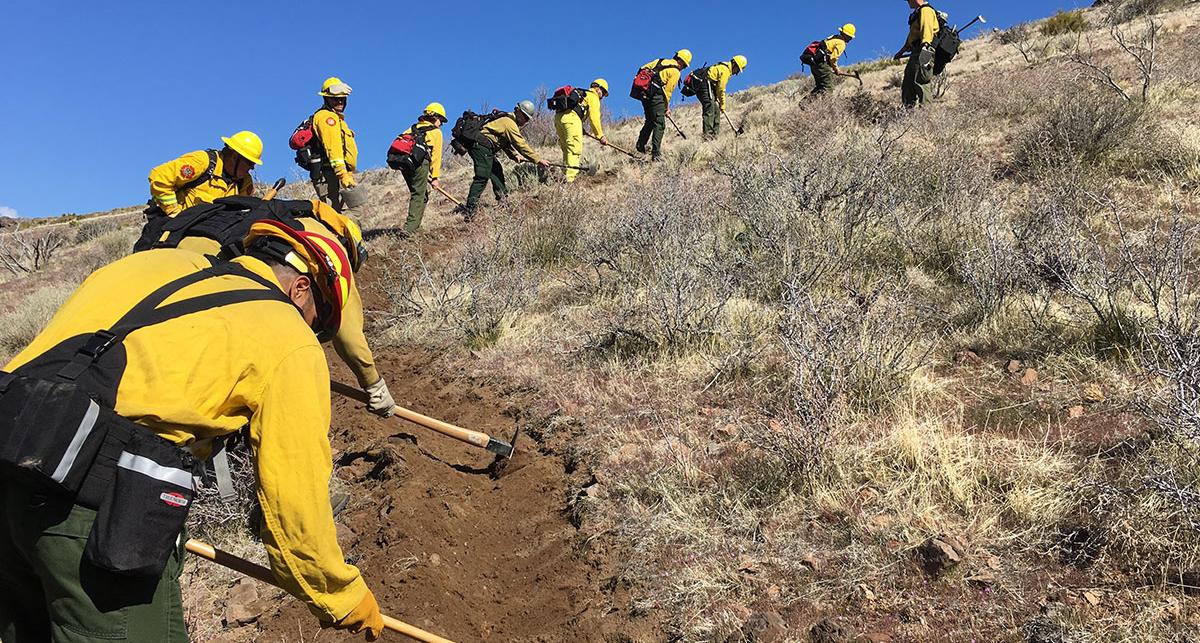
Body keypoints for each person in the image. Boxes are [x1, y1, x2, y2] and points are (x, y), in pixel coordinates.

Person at [0, 222, 383, 641]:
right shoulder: (288, 336)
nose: (312, 332)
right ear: (301, 290)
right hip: (92, 498)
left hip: (11, 444)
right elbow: (295, 497)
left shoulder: (151, 263)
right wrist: (341, 595)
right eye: (317, 321)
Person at [461, 100, 550, 220]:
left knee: (496, 169)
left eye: (527, 118)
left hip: (485, 148)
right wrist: (538, 160)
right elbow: (521, 145)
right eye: (525, 117)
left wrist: (514, 156)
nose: (526, 121)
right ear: (518, 112)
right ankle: (470, 209)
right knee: (482, 175)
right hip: (481, 146)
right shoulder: (509, 123)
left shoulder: (508, 122)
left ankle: (503, 200)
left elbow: (504, 143)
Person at [147, 131, 262, 216]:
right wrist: (174, 213)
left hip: (213, 236)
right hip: (178, 230)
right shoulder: (202, 162)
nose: (252, 167)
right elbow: (160, 178)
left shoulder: (244, 182)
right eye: (249, 162)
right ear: (235, 157)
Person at [310, 77, 361, 211]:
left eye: (343, 98)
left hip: (337, 173)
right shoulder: (328, 118)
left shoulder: (337, 118)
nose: (340, 101)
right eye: (336, 98)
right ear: (326, 98)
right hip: (329, 174)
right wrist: (342, 174)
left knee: (344, 212)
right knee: (333, 216)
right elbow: (333, 149)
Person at [397, 103, 447, 234]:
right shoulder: (436, 133)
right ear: (435, 117)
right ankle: (410, 229)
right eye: (441, 120)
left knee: (421, 195)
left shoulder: (413, 127)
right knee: (419, 195)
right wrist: (435, 177)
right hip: (421, 163)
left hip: (405, 164)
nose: (441, 124)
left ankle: (415, 226)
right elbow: (436, 156)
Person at [635, 49, 691, 160]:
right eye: (684, 65)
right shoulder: (675, 72)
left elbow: (642, 68)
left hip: (645, 93)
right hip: (657, 96)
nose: (683, 68)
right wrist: (666, 108)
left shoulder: (661, 61)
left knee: (650, 120)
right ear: (680, 61)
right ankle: (656, 154)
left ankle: (640, 145)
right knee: (659, 124)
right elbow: (668, 92)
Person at [553, 79, 609, 183]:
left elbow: (575, 111)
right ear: (599, 89)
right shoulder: (593, 96)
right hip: (571, 119)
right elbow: (594, 119)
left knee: (567, 149)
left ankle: (566, 174)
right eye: (604, 93)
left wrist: (581, 129)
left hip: (558, 119)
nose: (602, 97)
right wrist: (600, 136)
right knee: (574, 149)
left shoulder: (584, 94)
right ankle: (570, 180)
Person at [894, 0, 939, 107]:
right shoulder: (918, 13)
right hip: (916, 52)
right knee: (908, 85)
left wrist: (925, 47)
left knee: (921, 82)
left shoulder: (926, 10)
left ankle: (926, 115)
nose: (908, 2)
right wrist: (901, 52)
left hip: (925, 50)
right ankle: (908, 113)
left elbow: (926, 31)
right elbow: (912, 36)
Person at [695, 56, 747, 140]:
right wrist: (722, 104)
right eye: (737, 70)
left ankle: (714, 136)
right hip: (704, 84)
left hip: (709, 86)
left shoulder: (725, 69)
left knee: (716, 110)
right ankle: (707, 136)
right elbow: (721, 89)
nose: (736, 73)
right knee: (710, 107)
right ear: (734, 65)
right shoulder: (725, 70)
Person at [807, 24, 856, 96]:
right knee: (828, 87)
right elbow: (833, 58)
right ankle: (828, 106)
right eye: (850, 38)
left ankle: (805, 103)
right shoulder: (841, 43)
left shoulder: (834, 38)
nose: (850, 40)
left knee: (820, 87)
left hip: (814, 63)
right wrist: (836, 69)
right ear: (847, 36)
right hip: (821, 64)